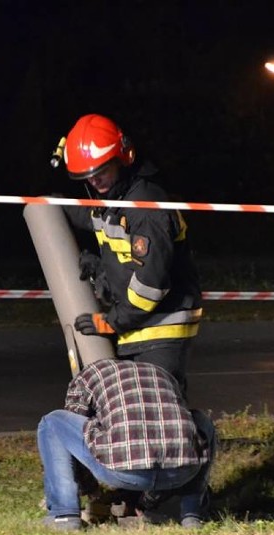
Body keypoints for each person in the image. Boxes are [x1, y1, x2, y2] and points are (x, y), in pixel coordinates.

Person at [58, 114, 202, 395]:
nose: (95, 181)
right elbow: (91, 221)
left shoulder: (145, 207)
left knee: (157, 406)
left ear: (122, 160)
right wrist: (50, 203)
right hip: (136, 326)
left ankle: (199, 437)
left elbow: (150, 285)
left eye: (101, 172)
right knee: (140, 409)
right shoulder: (114, 201)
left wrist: (111, 321)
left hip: (162, 327)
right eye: (88, 177)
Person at [37, 358, 216, 531]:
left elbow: (72, 438)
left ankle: (64, 516)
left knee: (53, 423)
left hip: (122, 472)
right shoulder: (162, 374)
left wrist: (91, 490)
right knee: (201, 420)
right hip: (181, 473)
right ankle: (192, 514)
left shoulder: (87, 376)